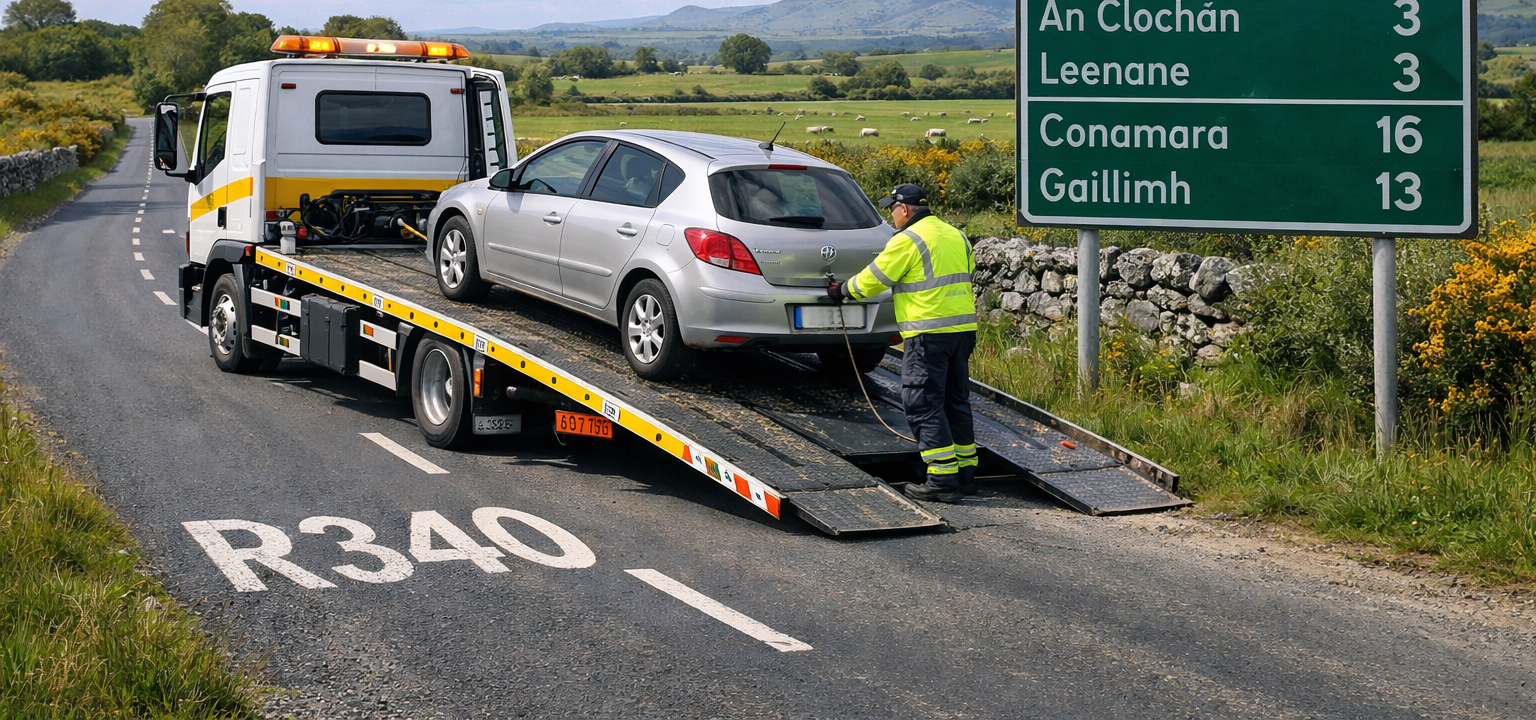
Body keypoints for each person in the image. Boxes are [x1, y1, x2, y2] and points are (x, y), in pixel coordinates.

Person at [827, 184, 978, 503]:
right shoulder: (956, 235)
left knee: (923, 402)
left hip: (928, 334)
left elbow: (875, 278)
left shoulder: (908, 239)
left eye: (891, 209)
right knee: (956, 401)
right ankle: (965, 475)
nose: (890, 216)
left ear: (904, 209)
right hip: (962, 331)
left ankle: (941, 479)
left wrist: (842, 292)